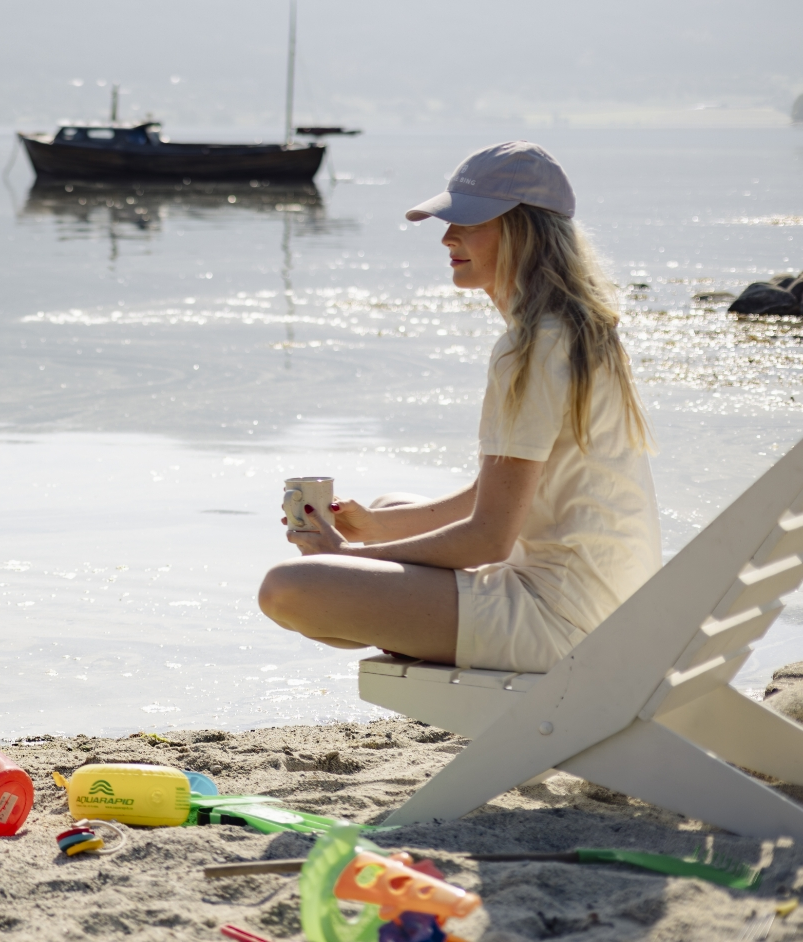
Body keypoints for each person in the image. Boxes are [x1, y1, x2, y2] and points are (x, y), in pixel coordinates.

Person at [257, 141, 660, 674]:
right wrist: (376, 528)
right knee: (392, 505)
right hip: (606, 607)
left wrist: (347, 559)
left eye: (468, 223)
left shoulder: (532, 348)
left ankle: (404, 622)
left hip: (562, 623)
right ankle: (405, 612)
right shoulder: (573, 329)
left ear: (524, 231)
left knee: (286, 589)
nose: (447, 237)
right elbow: (496, 497)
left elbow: (490, 538)